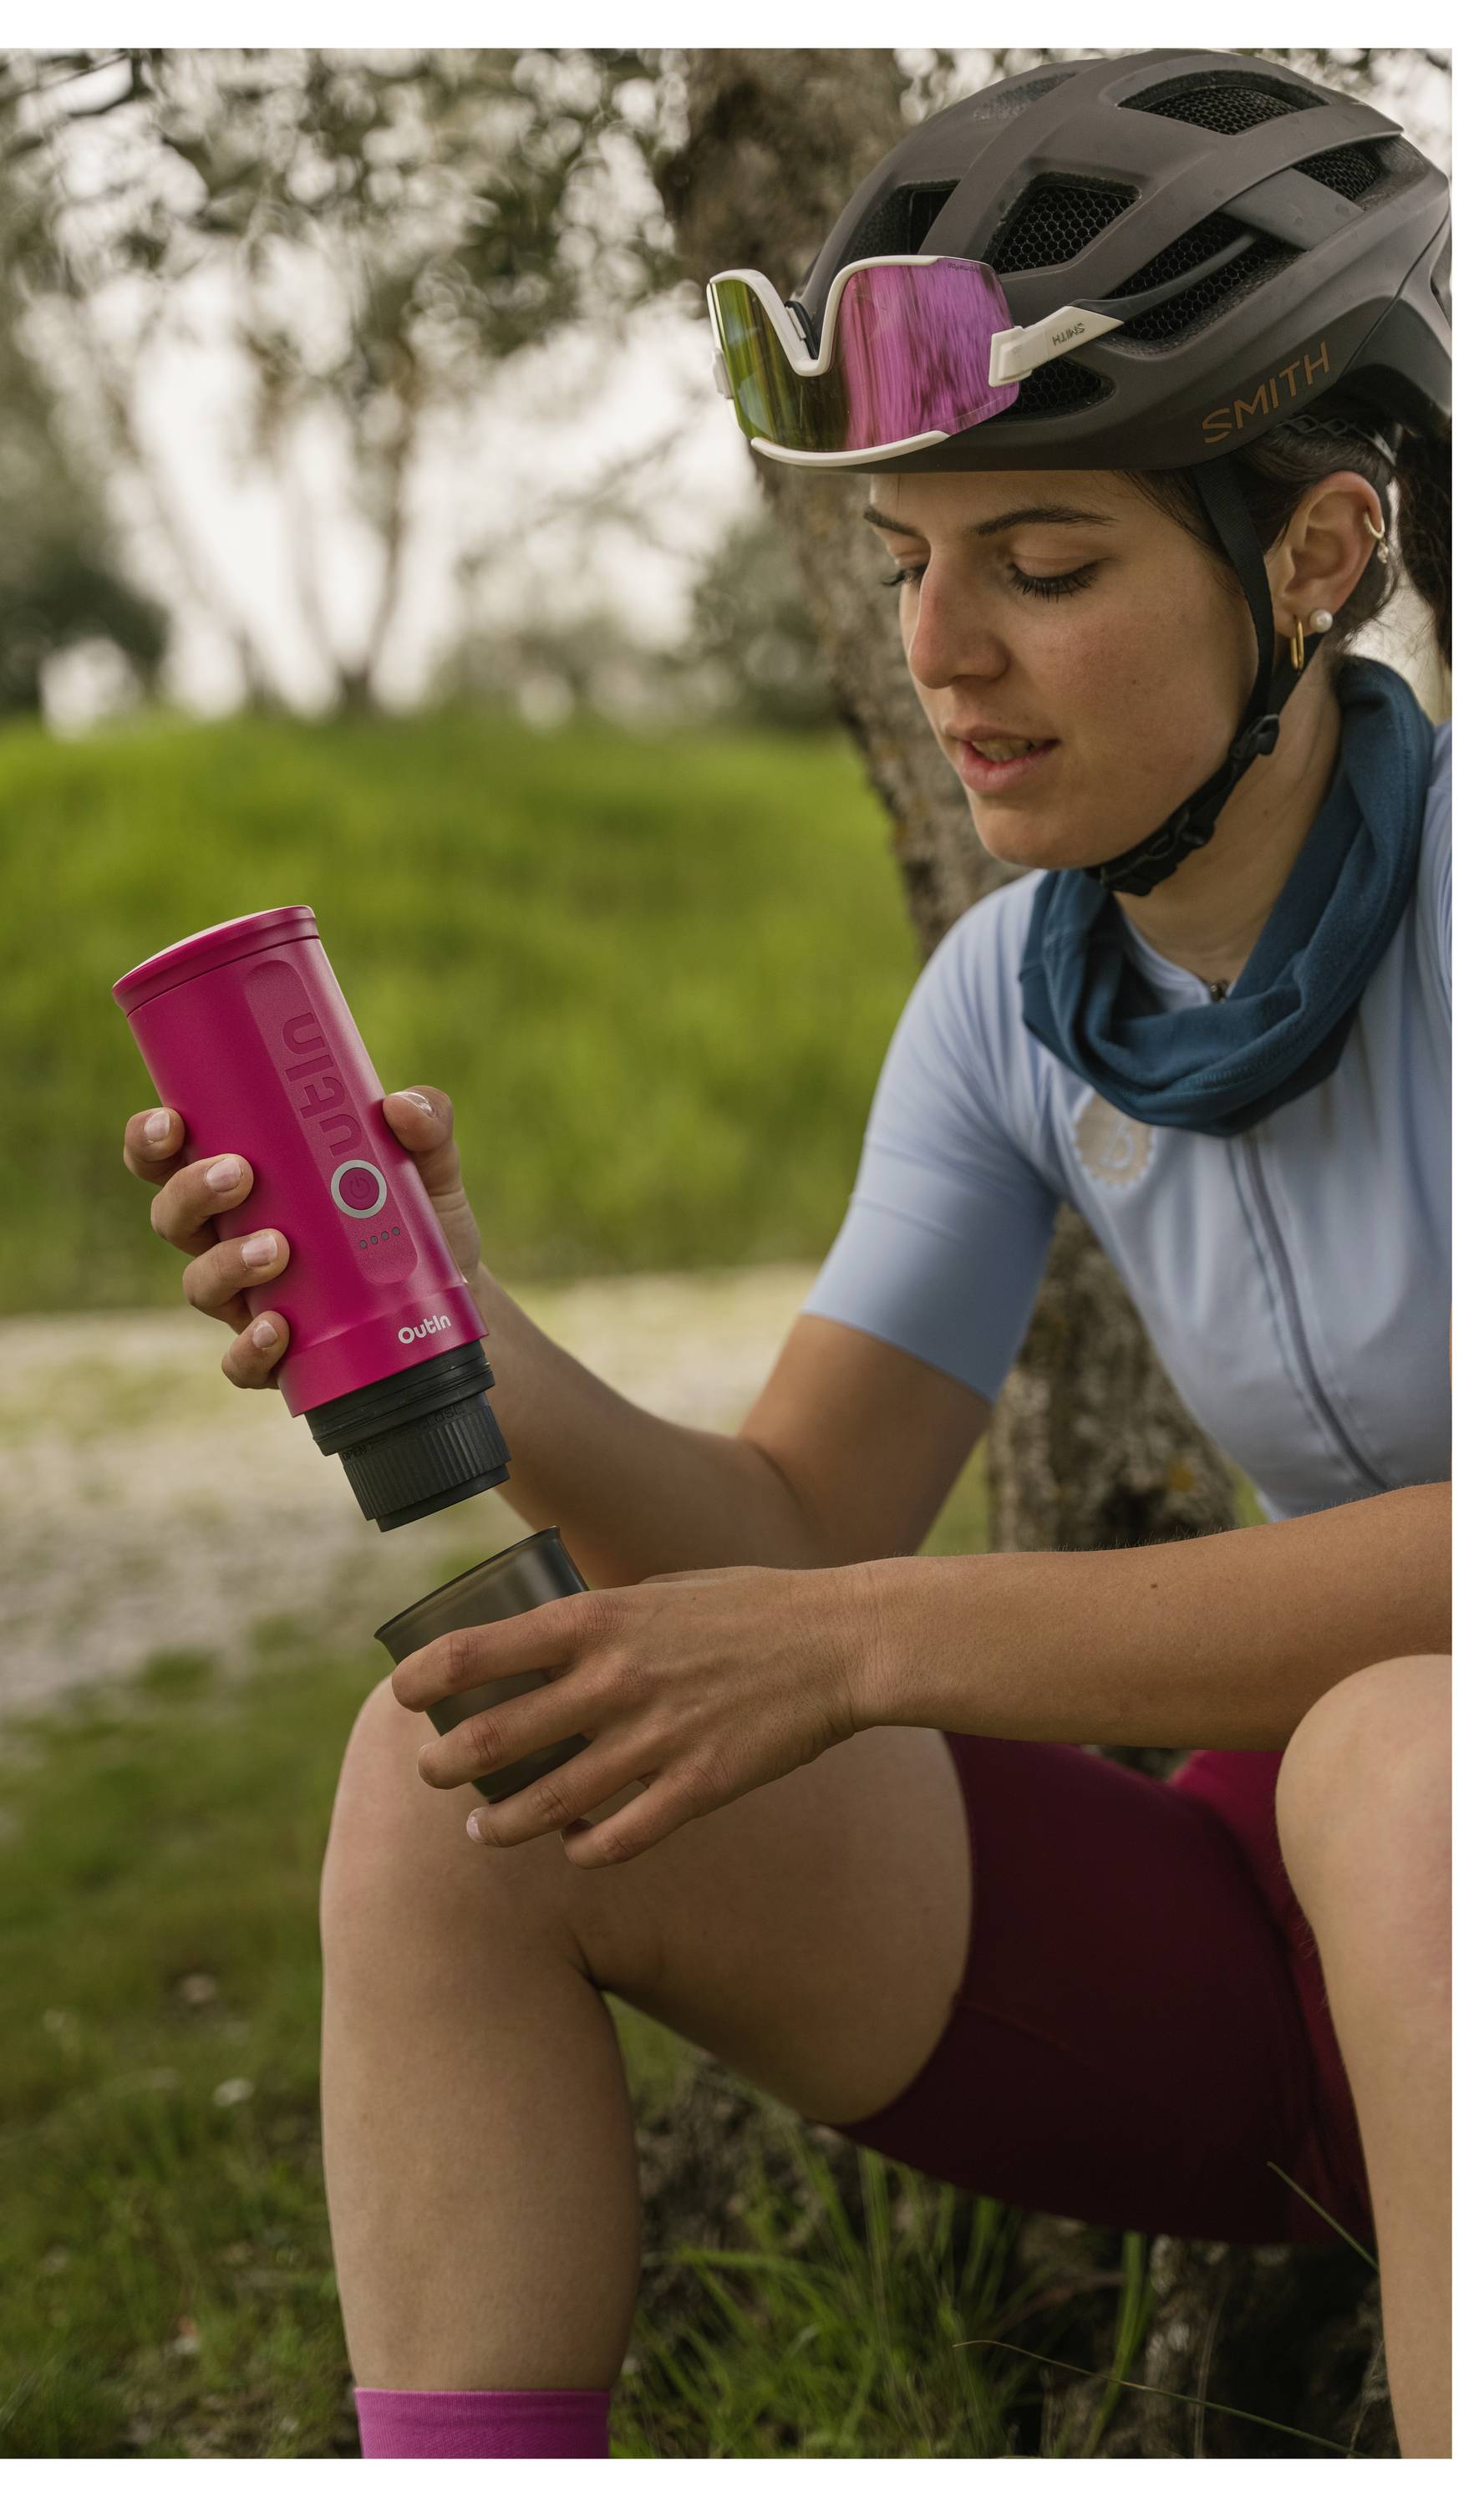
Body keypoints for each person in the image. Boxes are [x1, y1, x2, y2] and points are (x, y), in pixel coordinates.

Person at [122, 51, 1451, 2461]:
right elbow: (793, 1532)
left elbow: (857, 1610)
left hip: (1420, 1849)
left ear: (1321, 552)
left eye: (1043, 566)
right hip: (1334, 1962)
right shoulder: (1014, 1001)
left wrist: (863, 1650)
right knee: (470, 1771)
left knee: (1405, 1750)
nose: (945, 648)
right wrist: (469, 1330)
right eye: (907, 563)